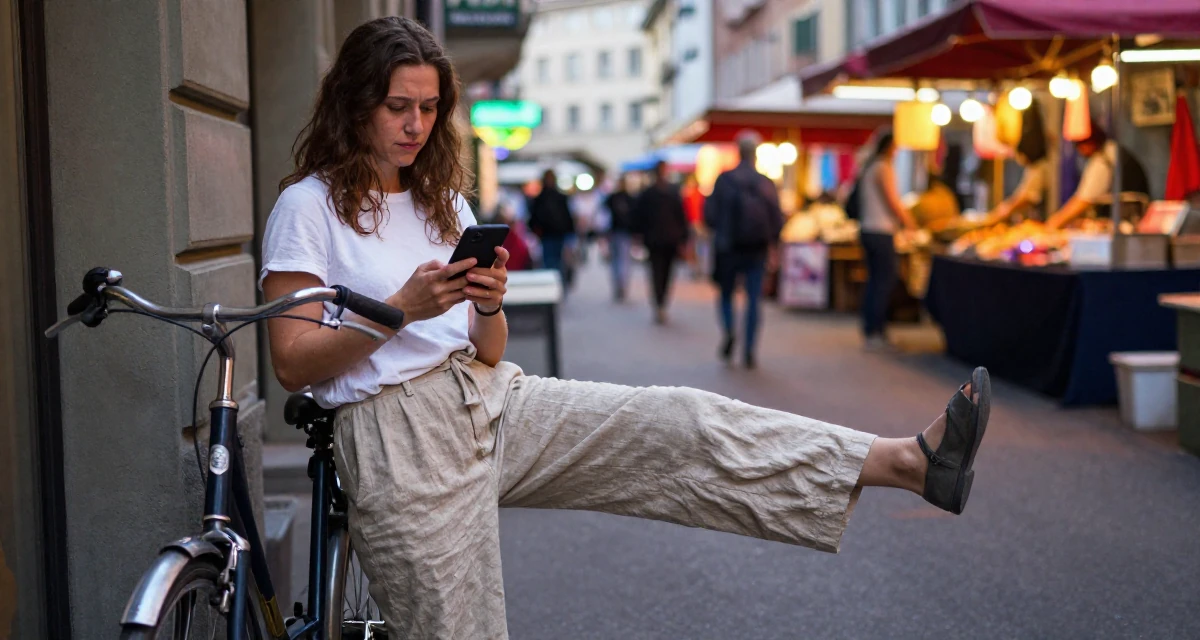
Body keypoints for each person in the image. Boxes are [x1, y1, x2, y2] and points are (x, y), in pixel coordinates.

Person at [259, 17, 995, 640]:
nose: (416, 125)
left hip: (488, 396)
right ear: (355, 104)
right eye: (397, 107)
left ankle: (908, 462)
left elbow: (488, 348)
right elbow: (292, 361)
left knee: (681, 422)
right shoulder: (309, 206)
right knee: (462, 626)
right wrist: (401, 311)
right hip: (395, 430)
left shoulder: (442, 201)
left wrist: (485, 303)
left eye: (428, 107)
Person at [705, 132, 785, 368]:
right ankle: (749, 349)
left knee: (726, 294)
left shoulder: (724, 180)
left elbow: (709, 215)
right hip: (756, 249)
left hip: (728, 247)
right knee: (753, 299)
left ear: (738, 152)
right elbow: (777, 219)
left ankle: (729, 329)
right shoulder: (765, 182)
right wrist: (773, 244)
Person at [855, 129, 917, 351]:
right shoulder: (882, 167)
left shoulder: (869, 166)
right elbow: (892, 201)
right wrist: (910, 223)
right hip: (880, 231)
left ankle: (871, 328)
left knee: (875, 281)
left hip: (868, 230)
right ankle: (876, 330)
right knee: (884, 281)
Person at [1046, 123, 1150, 230]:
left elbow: (1084, 200)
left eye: (1079, 144)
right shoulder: (1113, 150)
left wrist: (1053, 224)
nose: (1079, 150)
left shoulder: (1104, 159)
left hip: (1126, 225)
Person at [632, 160, 689, 324]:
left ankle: (661, 301)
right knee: (658, 272)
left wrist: (683, 237)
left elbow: (681, 215)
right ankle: (660, 302)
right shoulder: (654, 193)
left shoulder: (664, 192)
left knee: (664, 272)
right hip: (659, 239)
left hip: (665, 239)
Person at [528, 169, 576, 284]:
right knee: (552, 262)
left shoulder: (542, 198)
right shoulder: (547, 198)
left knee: (554, 262)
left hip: (554, 234)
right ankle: (554, 285)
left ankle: (555, 285)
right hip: (549, 235)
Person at [603, 173, 636, 301]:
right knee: (623, 260)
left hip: (616, 232)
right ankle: (621, 285)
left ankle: (619, 285)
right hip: (622, 233)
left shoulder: (613, 198)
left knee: (617, 261)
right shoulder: (629, 198)